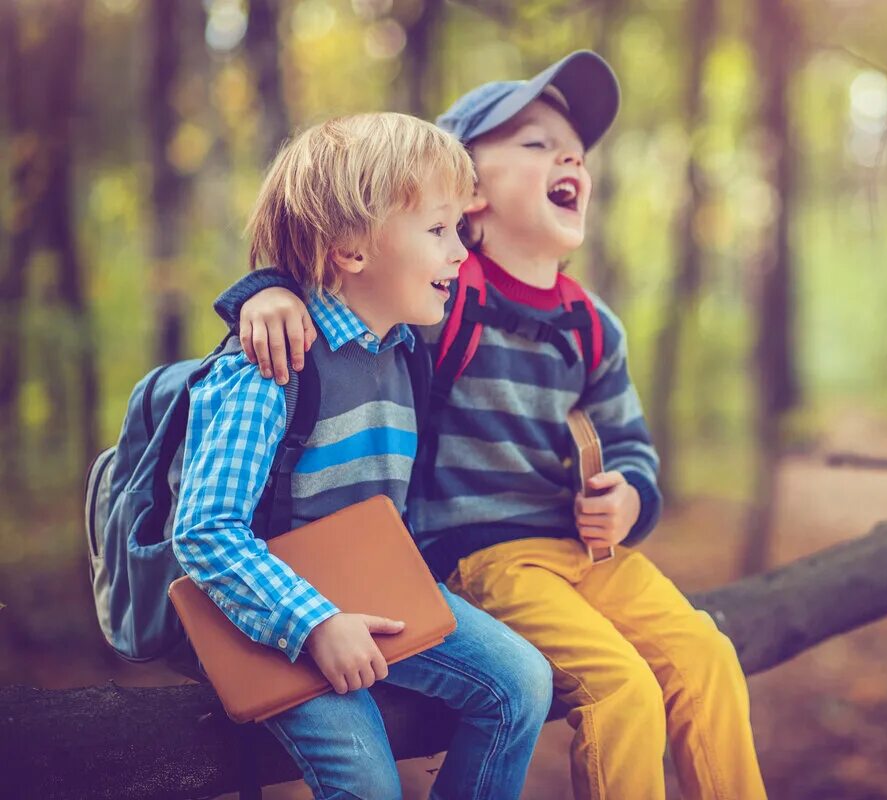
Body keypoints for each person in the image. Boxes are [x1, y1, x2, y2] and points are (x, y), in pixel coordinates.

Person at [216, 52, 767, 800]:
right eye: (535, 142)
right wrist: (267, 290)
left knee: (706, 655)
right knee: (621, 688)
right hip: (483, 555)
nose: (569, 154)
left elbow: (630, 441)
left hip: (588, 554)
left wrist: (630, 495)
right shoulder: (446, 296)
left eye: (574, 148)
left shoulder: (592, 327)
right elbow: (355, 270)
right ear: (466, 193)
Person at [174, 112, 552, 800]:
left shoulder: (408, 350)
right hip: (272, 619)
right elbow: (204, 532)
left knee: (521, 684)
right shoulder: (271, 368)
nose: (460, 252)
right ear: (351, 250)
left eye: (459, 230)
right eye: (438, 230)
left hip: (376, 595)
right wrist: (313, 624)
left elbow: (521, 281)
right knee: (368, 781)